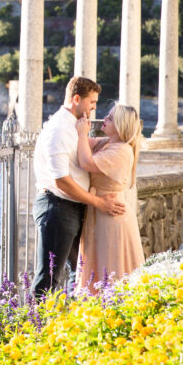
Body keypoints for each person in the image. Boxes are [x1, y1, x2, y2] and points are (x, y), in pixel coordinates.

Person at [32, 76, 126, 296]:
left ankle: (72, 326)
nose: (94, 108)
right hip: (57, 207)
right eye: (91, 103)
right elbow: (61, 180)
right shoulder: (59, 129)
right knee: (49, 276)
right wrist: (98, 203)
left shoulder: (74, 126)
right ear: (76, 99)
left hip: (72, 207)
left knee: (80, 274)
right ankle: (35, 327)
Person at [75, 103, 145, 291]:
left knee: (110, 267)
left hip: (110, 216)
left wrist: (82, 133)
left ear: (121, 126)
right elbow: (79, 144)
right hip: (99, 211)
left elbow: (86, 163)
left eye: (111, 118)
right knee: (99, 267)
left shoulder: (121, 150)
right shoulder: (108, 143)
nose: (104, 118)